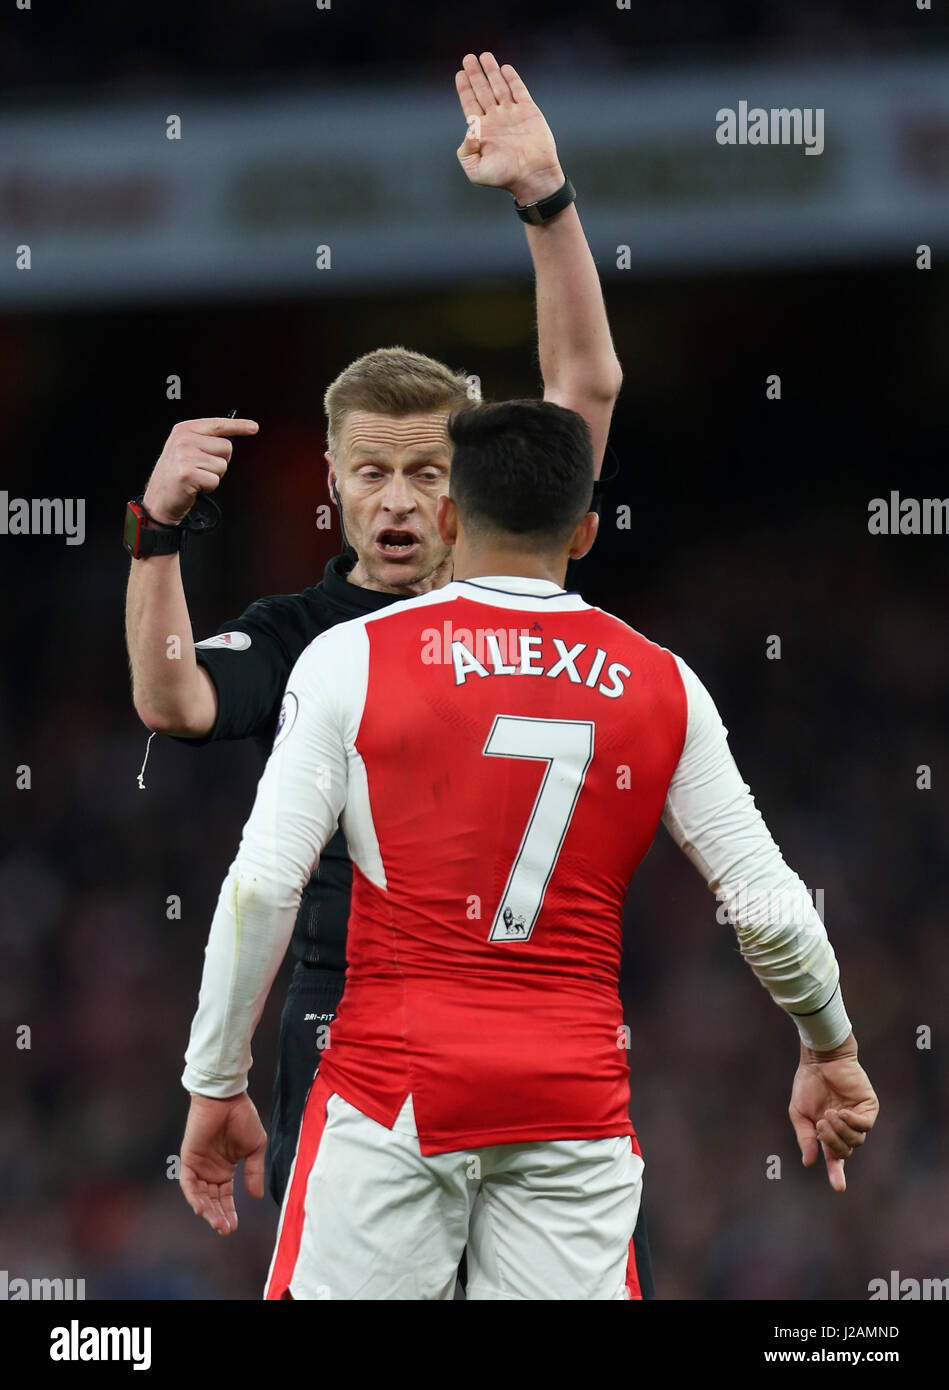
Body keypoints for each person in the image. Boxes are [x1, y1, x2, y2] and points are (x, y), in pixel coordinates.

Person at [125, 54, 659, 1290]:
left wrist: (547, 203)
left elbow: (584, 388)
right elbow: (174, 699)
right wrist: (155, 537)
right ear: (329, 480)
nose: (403, 501)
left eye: (429, 473)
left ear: (470, 487)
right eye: (372, 473)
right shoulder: (302, 631)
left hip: (535, 1019)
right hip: (347, 1015)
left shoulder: (523, 592)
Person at [178, 398, 879, 1301]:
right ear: (584, 532)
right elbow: (766, 903)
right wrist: (829, 1046)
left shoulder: (350, 659)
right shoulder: (661, 684)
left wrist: (216, 1080)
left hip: (391, 1088)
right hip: (571, 1104)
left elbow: (262, 890)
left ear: (446, 516)